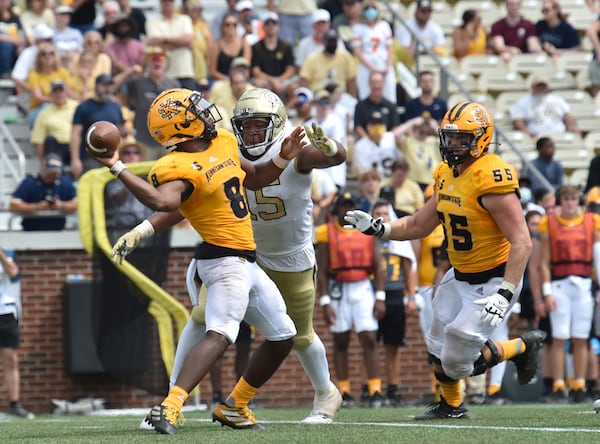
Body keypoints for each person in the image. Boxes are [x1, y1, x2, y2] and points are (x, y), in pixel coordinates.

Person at [115, 87, 347, 426]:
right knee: (201, 318)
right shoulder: (223, 147)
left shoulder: (293, 151)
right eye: (247, 126)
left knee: (296, 335)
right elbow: (189, 200)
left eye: (259, 125)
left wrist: (333, 147)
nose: (252, 133)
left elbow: (330, 158)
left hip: (290, 256)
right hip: (237, 256)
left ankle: (325, 392)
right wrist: (144, 229)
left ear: (277, 123)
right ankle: (171, 402)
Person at [344, 101, 546, 419]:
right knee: (436, 340)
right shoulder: (445, 173)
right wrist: (378, 228)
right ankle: (451, 405)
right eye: (449, 137)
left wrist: (506, 291)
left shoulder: (491, 177)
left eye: (461, 138)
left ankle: (521, 347)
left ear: (480, 138)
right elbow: (417, 225)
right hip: (459, 274)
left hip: (494, 279)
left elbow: (522, 240)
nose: (452, 145)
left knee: (458, 361)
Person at [315, 191, 386, 408]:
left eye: (351, 206)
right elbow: (323, 269)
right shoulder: (327, 232)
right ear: (337, 209)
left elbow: (378, 265)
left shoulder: (365, 230)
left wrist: (380, 297)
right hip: (339, 286)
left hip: (363, 284)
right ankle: (344, 390)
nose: (347, 210)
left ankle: (375, 389)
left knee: (369, 337)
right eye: (343, 206)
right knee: (341, 339)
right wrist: (325, 301)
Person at [539, 185, 600, 403]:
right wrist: (546, 292)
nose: (570, 203)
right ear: (560, 201)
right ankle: (558, 383)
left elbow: (598, 257)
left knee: (581, 336)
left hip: (583, 282)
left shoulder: (592, 221)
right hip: (560, 283)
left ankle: (579, 383)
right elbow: (544, 262)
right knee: (559, 336)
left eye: (574, 198)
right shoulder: (551, 223)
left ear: (579, 201)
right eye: (566, 198)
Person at [371, 200, 417, 407]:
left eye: (385, 213)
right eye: (378, 213)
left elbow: (409, 267)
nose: (382, 216)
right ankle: (370, 388)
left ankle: (393, 387)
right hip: (371, 293)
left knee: (393, 345)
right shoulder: (368, 238)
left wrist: (412, 296)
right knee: (369, 343)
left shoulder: (397, 237)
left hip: (396, 292)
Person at [118, 46, 180, 158]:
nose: (157, 61)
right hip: (144, 140)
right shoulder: (137, 83)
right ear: (147, 63)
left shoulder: (173, 84)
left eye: (161, 59)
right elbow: (121, 94)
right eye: (153, 59)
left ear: (166, 63)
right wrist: (130, 71)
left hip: (168, 140)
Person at [69, 73, 127, 177]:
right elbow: (75, 135)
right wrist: (75, 159)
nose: (107, 89)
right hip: (90, 157)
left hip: (112, 158)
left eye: (110, 85)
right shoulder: (84, 107)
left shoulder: (115, 107)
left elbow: (122, 131)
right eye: (104, 85)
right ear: (96, 86)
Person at [0, 249, 34, 419]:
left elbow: (13, 272)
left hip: (5, 313)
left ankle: (14, 403)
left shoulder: (7, 254)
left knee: (10, 358)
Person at [9, 153, 77, 231]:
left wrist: (61, 205)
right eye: (50, 172)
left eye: (55, 173)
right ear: (43, 168)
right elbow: (13, 205)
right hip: (31, 232)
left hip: (58, 232)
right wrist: (37, 207)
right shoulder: (30, 182)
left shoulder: (65, 182)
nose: (51, 176)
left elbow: (77, 203)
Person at [144, 0, 196, 90]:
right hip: (165, 76)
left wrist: (164, 40)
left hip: (186, 73)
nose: (167, 2)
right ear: (160, 2)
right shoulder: (152, 22)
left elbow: (188, 39)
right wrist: (182, 43)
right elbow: (155, 42)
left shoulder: (185, 19)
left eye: (170, 0)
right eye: (165, 1)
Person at [510, 74, 580, 139]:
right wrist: (527, 133)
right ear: (532, 87)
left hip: (560, 135)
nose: (541, 88)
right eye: (538, 86)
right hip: (537, 137)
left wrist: (572, 126)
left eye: (543, 86)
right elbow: (518, 121)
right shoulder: (524, 101)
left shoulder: (557, 100)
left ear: (547, 87)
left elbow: (568, 116)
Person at [351, 1, 395, 104]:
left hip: (383, 64)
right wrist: (372, 68)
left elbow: (389, 47)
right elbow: (357, 50)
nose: (370, 11)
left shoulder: (384, 25)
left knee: (389, 94)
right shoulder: (358, 27)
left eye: (373, 8)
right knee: (365, 94)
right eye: (367, 9)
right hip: (366, 65)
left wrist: (388, 65)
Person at [30, 79, 79, 163]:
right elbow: (38, 140)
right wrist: (43, 162)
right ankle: (53, 168)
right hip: (57, 148)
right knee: (50, 140)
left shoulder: (77, 106)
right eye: (55, 91)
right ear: (51, 94)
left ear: (66, 92)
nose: (59, 94)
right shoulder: (44, 113)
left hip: (78, 146)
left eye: (61, 91)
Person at [299, 28, 357, 97]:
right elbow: (304, 80)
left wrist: (352, 99)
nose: (332, 44)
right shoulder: (312, 58)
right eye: (330, 41)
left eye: (334, 41)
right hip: (318, 95)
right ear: (323, 42)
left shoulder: (345, 57)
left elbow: (351, 80)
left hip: (340, 95)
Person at [250, 11, 296, 99]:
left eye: (273, 24)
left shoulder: (286, 46)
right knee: (258, 84)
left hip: (282, 79)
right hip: (265, 80)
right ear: (263, 26)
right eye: (267, 24)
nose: (271, 27)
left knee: (293, 87)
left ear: (278, 27)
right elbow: (256, 71)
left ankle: (288, 110)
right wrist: (272, 80)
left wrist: (279, 80)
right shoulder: (256, 47)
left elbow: (290, 70)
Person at [352, 110, 403, 180]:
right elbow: (361, 173)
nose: (377, 127)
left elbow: (401, 161)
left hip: (392, 181)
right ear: (368, 126)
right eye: (374, 125)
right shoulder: (361, 146)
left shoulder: (391, 138)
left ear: (385, 126)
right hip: (373, 183)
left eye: (380, 124)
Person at [393, 116, 441, 190]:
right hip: (412, 180)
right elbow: (396, 134)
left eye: (425, 128)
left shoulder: (434, 141)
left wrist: (435, 126)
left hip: (431, 180)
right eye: (420, 128)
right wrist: (412, 122)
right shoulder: (408, 141)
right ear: (415, 128)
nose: (423, 130)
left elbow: (446, 140)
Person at [353, 71, 400, 140]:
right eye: (374, 82)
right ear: (369, 84)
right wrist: (369, 142)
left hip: (386, 143)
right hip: (366, 143)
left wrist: (385, 141)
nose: (376, 86)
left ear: (383, 84)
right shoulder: (360, 106)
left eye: (379, 82)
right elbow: (358, 127)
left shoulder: (391, 106)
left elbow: (395, 126)